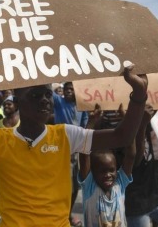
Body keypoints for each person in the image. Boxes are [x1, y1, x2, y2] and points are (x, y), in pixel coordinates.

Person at [0, 66, 148, 226]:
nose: (45, 100)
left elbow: (122, 136)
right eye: (36, 95)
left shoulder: (65, 134)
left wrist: (138, 95)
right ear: (18, 102)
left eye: (48, 94)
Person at [52, 81, 89, 227]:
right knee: (62, 184)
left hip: (77, 151)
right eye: (66, 89)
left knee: (75, 186)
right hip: (60, 151)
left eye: (71, 89)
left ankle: (67, 213)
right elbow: (48, 87)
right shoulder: (58, 102)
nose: (68, 91)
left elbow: (86, 126)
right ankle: (61, 214)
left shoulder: (82, 106)